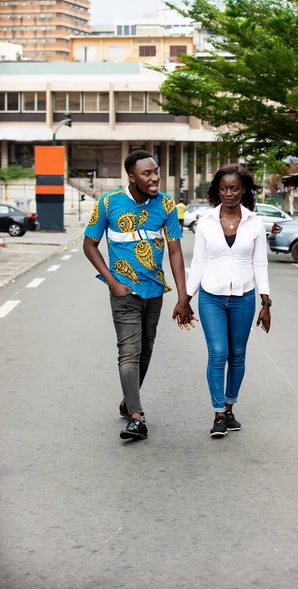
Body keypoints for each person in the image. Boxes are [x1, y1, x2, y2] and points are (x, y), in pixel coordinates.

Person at [83, 150, 195, 442]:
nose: (154, 177)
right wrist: (112, 282)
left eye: (155, 171)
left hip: (154, 292)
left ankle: (127, 401)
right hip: (124, 293)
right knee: (129, 352)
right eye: (147, 173)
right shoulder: (109, 202)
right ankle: (136, 416)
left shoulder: (167, 205)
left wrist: (183, 298)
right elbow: (90, 245)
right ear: (132, 177)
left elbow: (174, 251)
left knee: (145, 350)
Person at [185, 164, 271, 438]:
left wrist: (265, 303)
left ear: (243, 189)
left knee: (237, 355)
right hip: (211, 296)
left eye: (234, 188)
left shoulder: (255, 222)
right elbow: (199, 261)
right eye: (223, 188)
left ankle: (230, 408)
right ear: (217, 190)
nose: (229, 194)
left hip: (244, 298)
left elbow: (260, 264)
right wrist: (186, 298)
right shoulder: (206, 221)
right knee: (218, 353)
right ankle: (218, 413)